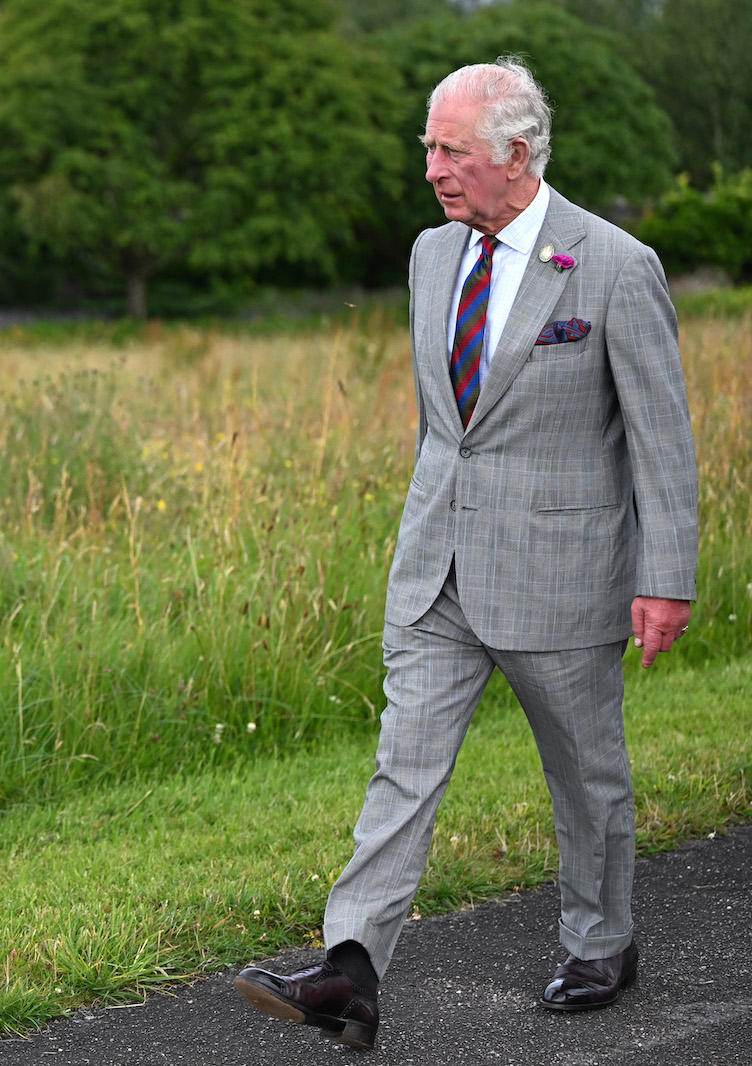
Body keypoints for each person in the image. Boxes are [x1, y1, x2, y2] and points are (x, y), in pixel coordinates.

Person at [233, 58, 697, 1049]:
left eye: (452, 151)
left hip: (562, 571)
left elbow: (661, 438)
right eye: (429, 148)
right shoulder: (430, 255)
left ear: (515, 156)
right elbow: (440, 423)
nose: (434, 169)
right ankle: (349, 968)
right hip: (435, 565)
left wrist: (666, 578)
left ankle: (599, 942)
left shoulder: (614, 264)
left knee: (586, 773)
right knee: (401, 766)